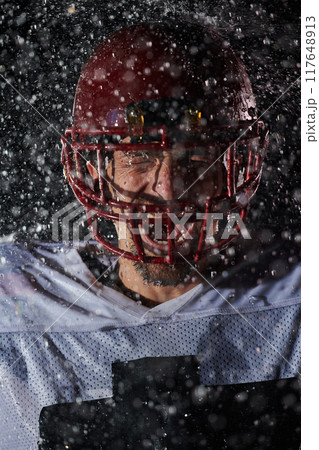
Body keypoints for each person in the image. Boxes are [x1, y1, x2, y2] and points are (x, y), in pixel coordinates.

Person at [0, 21, 300, 449]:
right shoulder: (13, 301)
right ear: (95, 173)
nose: (170, 191)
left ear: (237, 167)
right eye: (139, 157)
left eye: (196, 157)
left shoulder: (301, 302)